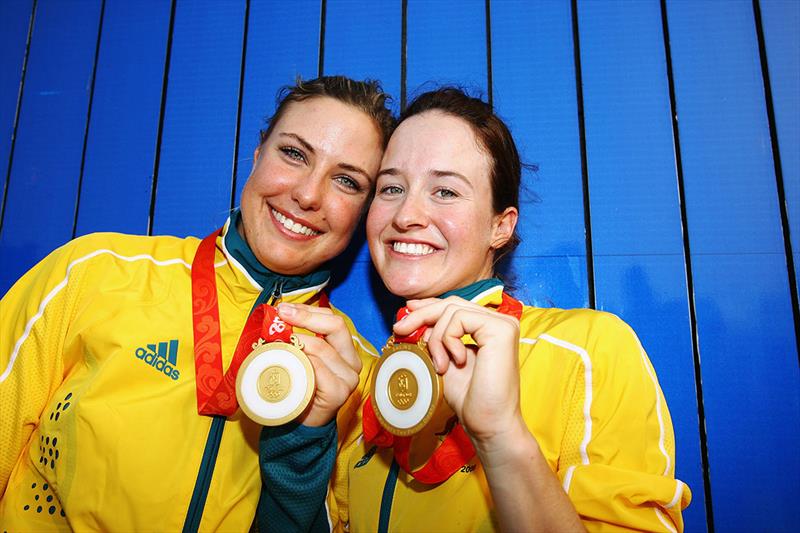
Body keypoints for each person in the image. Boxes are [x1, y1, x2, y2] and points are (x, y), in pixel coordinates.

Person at [262, 88, 692, 532]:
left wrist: (502, 436)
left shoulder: (587, 351)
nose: (406, 214)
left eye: (445, 191)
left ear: (500, 226)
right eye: (391, 187)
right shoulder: (364, 386)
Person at [0, 76, 394, 531]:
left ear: (364, 210)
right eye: (294, 154)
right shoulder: (97, 272)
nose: (308, 194)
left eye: (346, 180)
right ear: (257, 154)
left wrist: (307, 444)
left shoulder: (360, 380)